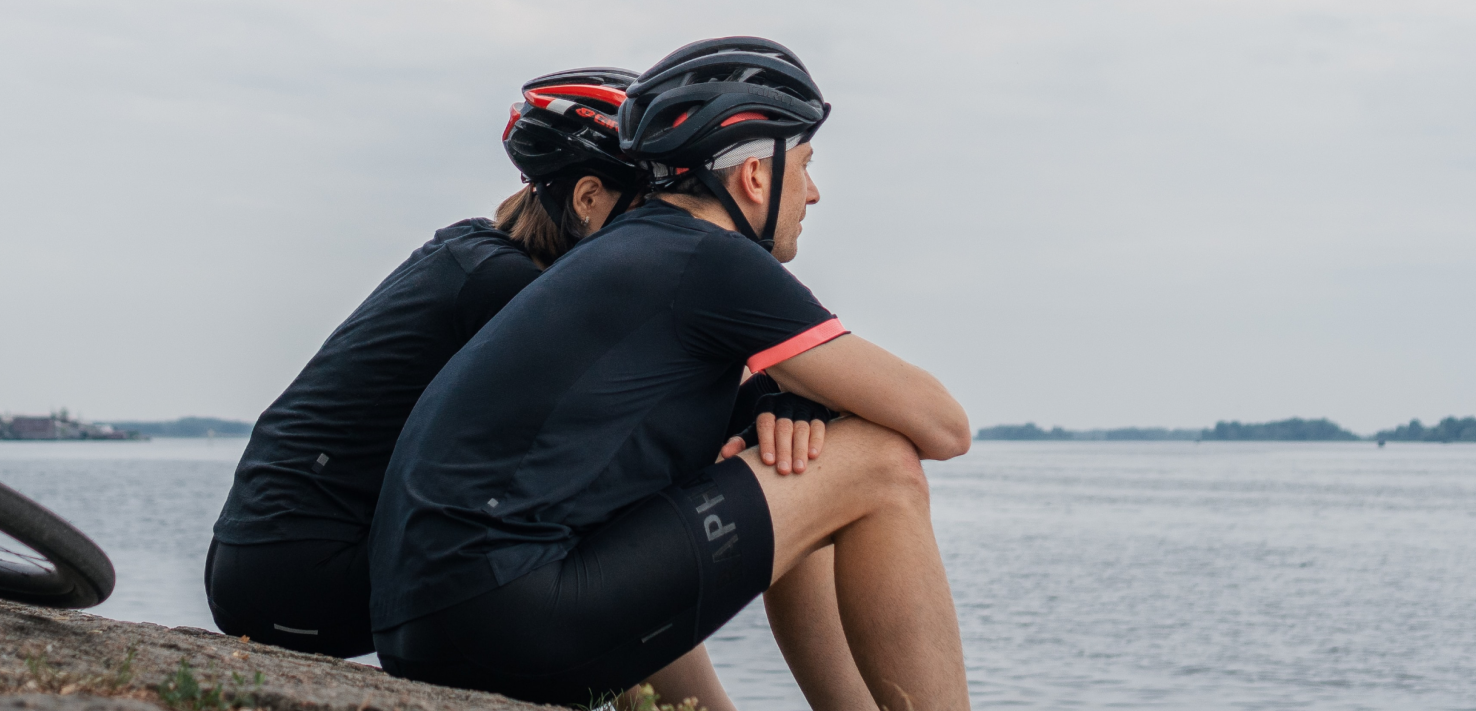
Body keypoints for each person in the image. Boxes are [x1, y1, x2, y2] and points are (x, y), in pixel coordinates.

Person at [370, 37, 975, 711]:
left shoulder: (629, 251)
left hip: (432, 623)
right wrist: (806, 404)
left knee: (802, 466)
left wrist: (788, 406)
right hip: (507, 613)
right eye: (803, 165)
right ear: (755, 176)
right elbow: (943, 425)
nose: (814, 192)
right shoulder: (713, 259)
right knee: (881, 464)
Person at [205, 66, 828, 670]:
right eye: (652, 205)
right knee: (617, 514)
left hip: (264, 566)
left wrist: (780, 398)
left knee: (605, 506)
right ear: (588, 198)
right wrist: (783, 398)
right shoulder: (507, 289)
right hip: (300, 581)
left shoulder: (478, 257)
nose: (666, 230)